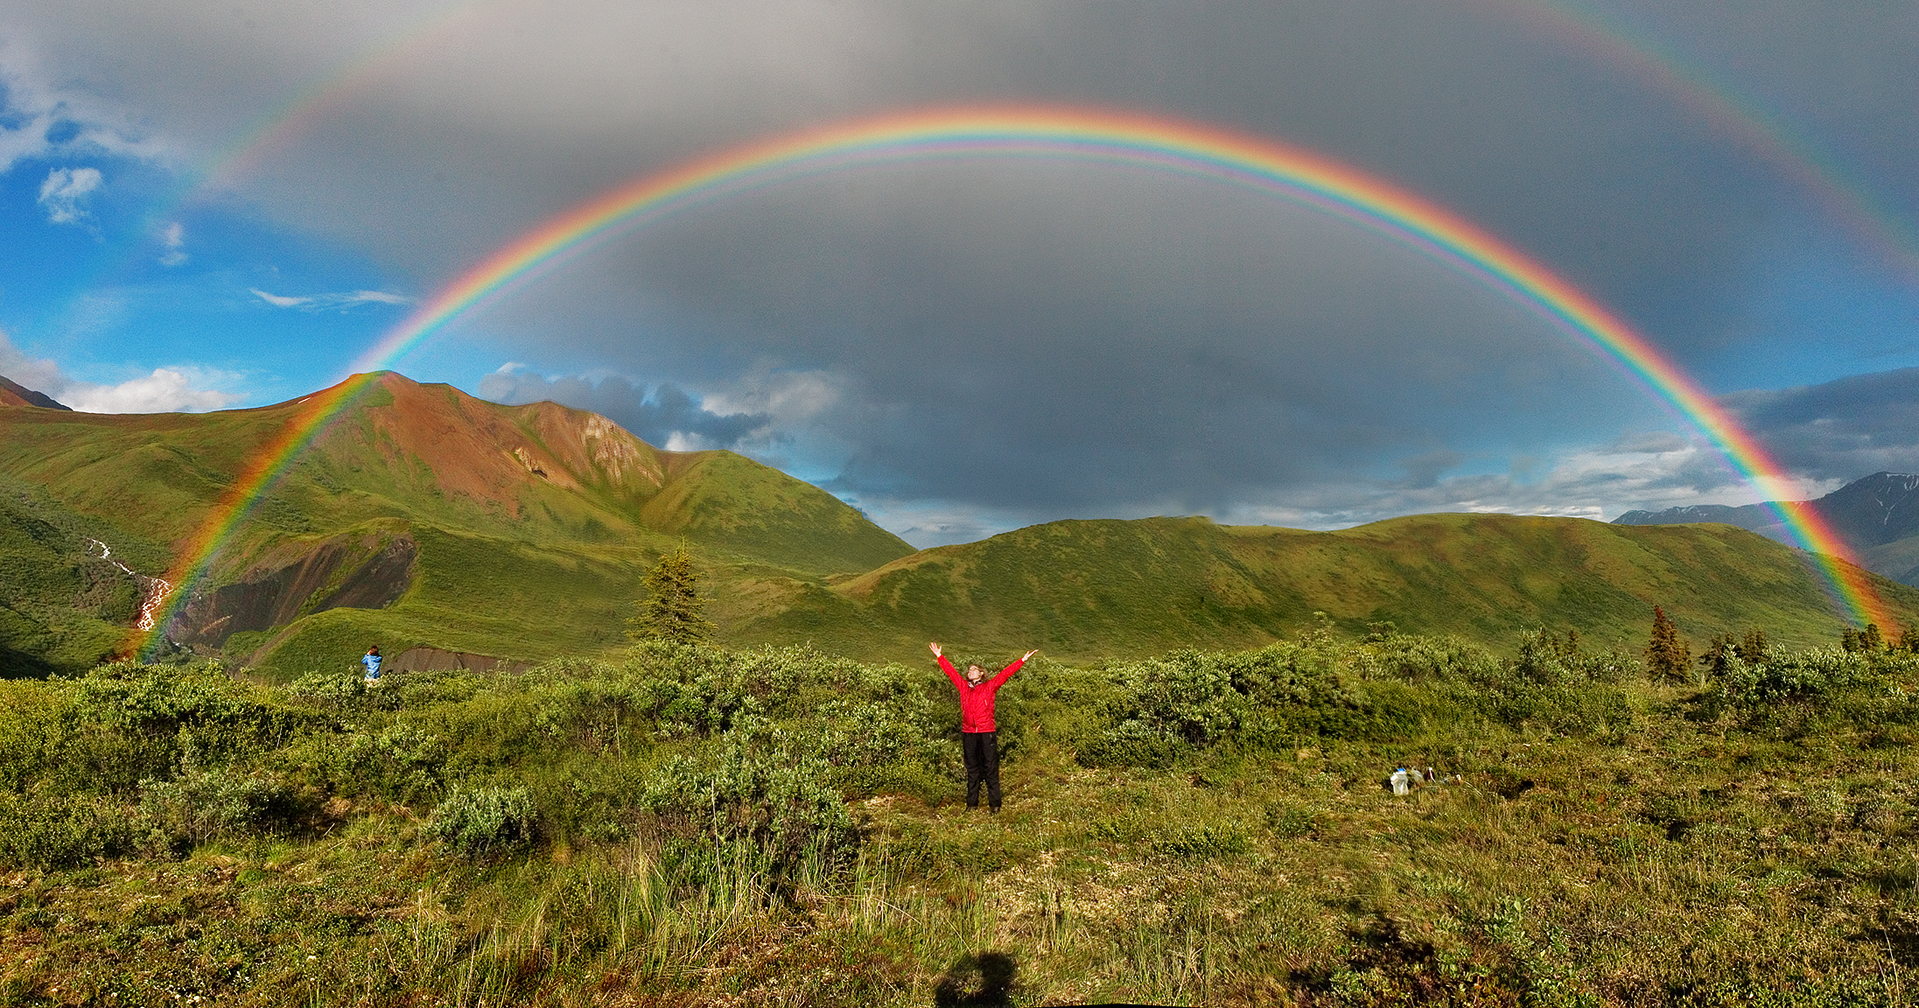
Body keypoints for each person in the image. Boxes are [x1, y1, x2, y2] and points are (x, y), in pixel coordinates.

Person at [931, 641, 1038, 813]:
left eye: (974, 669)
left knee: (990, 768)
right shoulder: (964, 688)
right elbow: (951, 673)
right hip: (969, 733)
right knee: (972, 769)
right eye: (969, 670)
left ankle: (995, 805)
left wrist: (1022, 660)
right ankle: (971, 805)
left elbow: (1005, 674)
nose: (970, 671)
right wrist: (939, 656)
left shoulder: (990, 687)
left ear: (981, 673)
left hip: (986, 731)